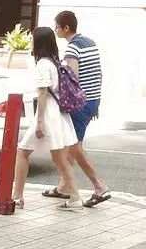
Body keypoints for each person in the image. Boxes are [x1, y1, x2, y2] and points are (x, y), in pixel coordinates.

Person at [44, 11, 110, 208]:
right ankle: (64, 186)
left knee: (74, 147)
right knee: (71, 145)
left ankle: (99, 186)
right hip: (91, 101)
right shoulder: (90, 43)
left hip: (80, 104)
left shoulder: (72, 49)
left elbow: (72, 79)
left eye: (57, 26)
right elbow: (98, 73)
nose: (55, 30)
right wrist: (96, 102)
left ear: (65, 28)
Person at [12, 27, 80, 210]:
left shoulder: (43, 64)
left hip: (48, 113)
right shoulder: (55, 62)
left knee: (23, 151)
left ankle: (17, 196)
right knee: (60, 159)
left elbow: (42, 94)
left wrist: (40, 121)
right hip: (59, 114)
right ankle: (75, 197)